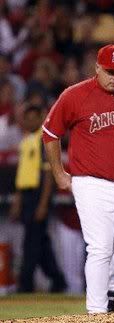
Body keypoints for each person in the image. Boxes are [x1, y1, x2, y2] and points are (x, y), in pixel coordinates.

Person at [42, 44, 114, 313]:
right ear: (97, 68)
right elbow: (50, 133)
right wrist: (59, 173)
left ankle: (110, 290)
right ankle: (96, 312)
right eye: (109, 71)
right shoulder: (75, 95)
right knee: (100, 248)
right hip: (91, 183)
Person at [9, 105, 67, 293]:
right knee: (40, 243)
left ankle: (25, 285)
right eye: (28, 118)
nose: (30, 121)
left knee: (31, 243)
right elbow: (22, 174)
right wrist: (18, 201)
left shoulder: (43, 140)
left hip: (38, 195)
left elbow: (48, 175)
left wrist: (43, 204)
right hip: (27, 195)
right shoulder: (26, 142)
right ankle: (58, 281)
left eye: (34, 118)